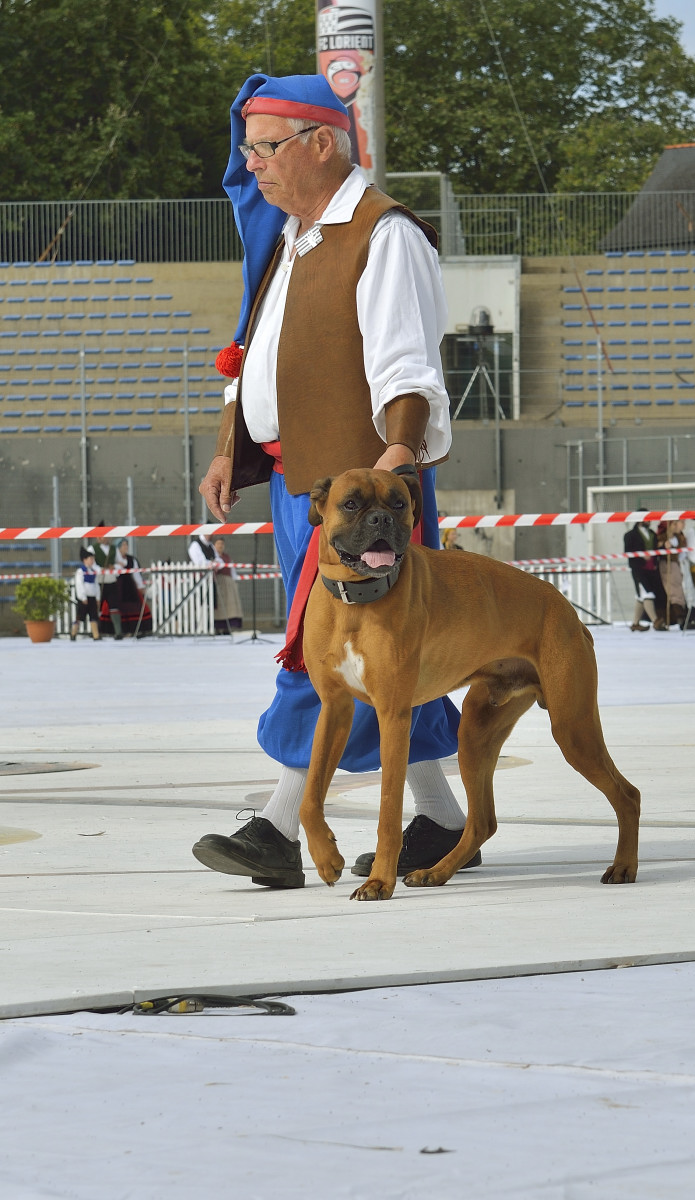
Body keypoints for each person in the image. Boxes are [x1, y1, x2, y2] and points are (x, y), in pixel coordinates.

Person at [192, 73, 471, 890]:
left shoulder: (383, 236)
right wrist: (231, 445)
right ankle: (447, 822)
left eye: (266, 148)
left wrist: (398, 455)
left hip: (361, 497)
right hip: (298, 482)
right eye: (247, 149)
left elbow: (408, 365)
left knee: (328, 655)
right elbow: (258, 359)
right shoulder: (293, 237)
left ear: (323, 144)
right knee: (385, 656)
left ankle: (281, 826)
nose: (253, 167)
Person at [622, 519, 663, 631]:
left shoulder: (652, 534)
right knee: (646, 593)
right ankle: (655, 620)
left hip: (651, 570)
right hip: (638, 569)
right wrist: (641, 556)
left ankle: (635, 623)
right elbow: (628, 551)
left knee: (641, 596)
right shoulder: (630, 535)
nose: (650, 522)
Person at [114, 538, 151, 636]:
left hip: (130, 587)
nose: (126, 547)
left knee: (135, 608)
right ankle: (121, 631)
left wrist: (140, 586)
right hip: (119, 588)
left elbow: (136, 574)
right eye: (123, 545)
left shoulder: (131, 559)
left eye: (127, 545)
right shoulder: (114, 560)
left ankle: (136, 630)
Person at [90, 530, 124, 640]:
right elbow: (91, 564)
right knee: (97, 607)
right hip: (99, 581)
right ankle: (96, 632)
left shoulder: (114, 549)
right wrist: (102, 570)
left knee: (114, 607)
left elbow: (121, 563)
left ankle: (118, 632)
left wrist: (114, 568)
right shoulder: (92, 548)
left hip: (111, 580)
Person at [212, 536, 244, 634]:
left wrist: (234, 581)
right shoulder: (214, 557)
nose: (220, 546)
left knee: (230, 606)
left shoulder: (227, 557)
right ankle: (217, 628)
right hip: (219, 583)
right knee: (219, 607)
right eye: (218, 544)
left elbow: (232, 570)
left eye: (222, 544)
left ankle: (227, 628)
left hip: (228, 584)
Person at [70, 548, 101, 641]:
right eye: (90, 559)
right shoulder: (81, 571)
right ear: (84, 560)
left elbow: (96, 585)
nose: (92, 561)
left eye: (93, 559)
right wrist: (83, 597)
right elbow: (79, 585)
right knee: (80, 616)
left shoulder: (93, 571)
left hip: (92, 597)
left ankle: (96, 635)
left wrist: (97, 597)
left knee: (93, 616)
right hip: (84, 598)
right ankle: (73, 633)